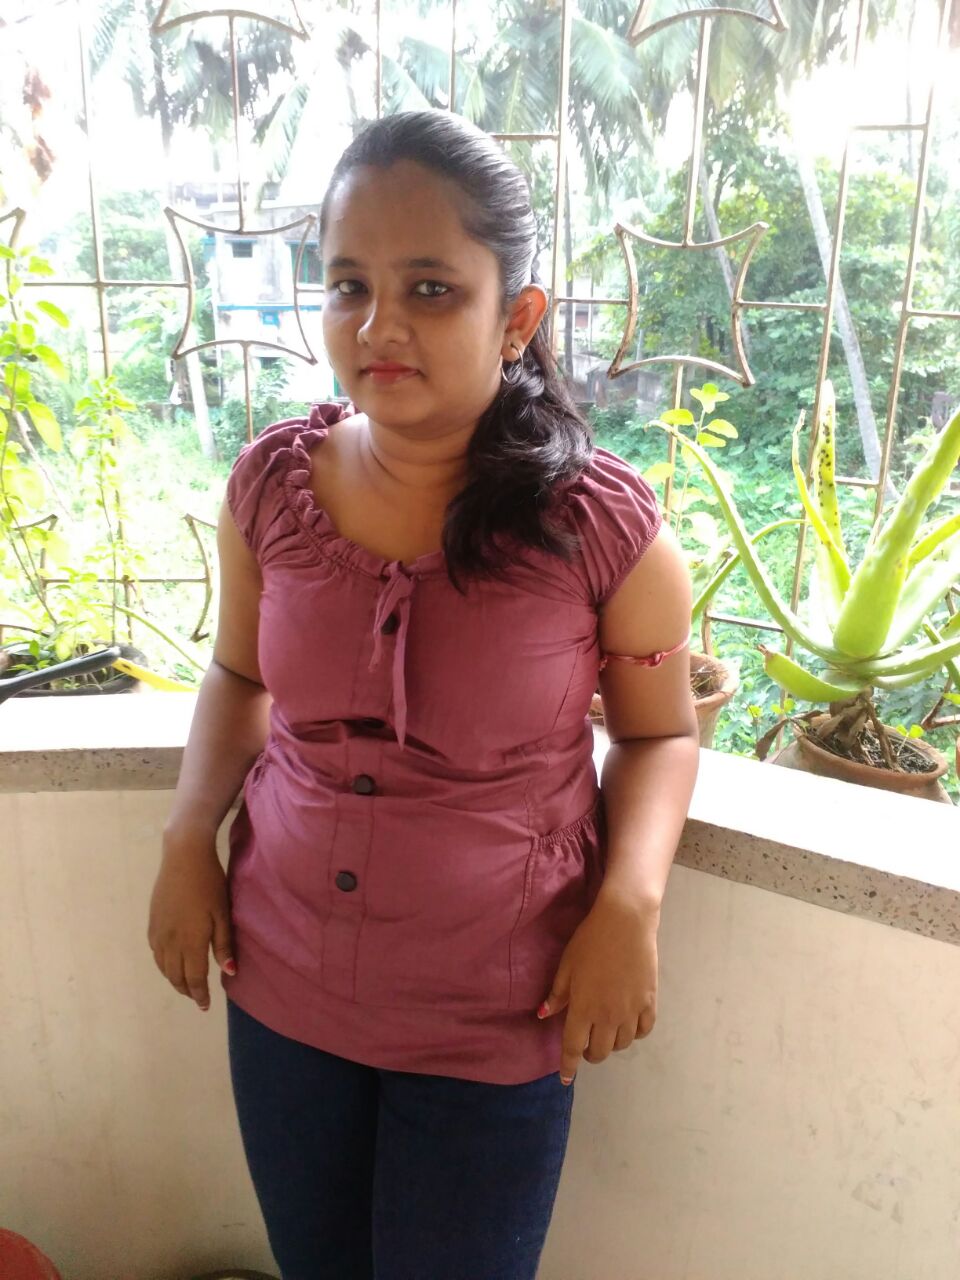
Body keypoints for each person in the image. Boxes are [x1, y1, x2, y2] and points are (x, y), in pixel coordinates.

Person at [147, 109, 699, 1280]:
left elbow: (660, 737)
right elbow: (239, 674)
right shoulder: (271, 490)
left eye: (431, 289)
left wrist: (630, 903)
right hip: (283, 987)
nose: (378, 324)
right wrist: (188, 834)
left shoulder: (600, 528)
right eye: (349, 284)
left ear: (518, 317)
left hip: (496, 1012)